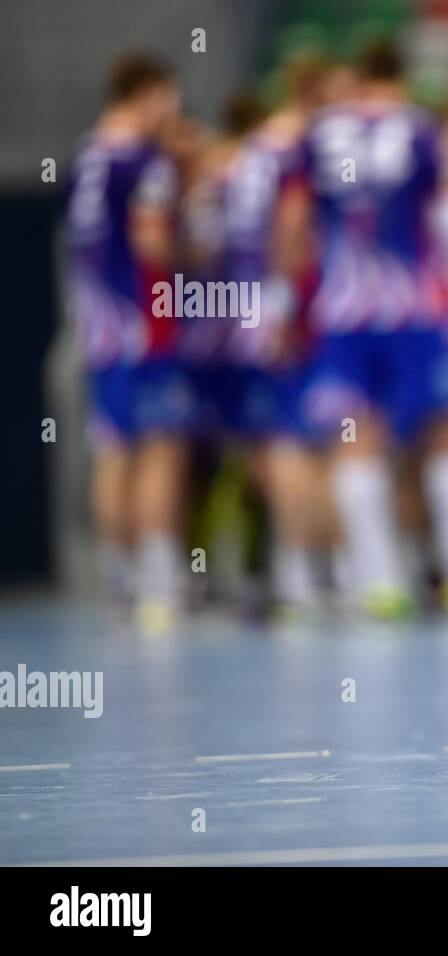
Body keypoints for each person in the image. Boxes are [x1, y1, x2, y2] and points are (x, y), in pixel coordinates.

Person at [299, 38, 448, 620]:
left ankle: (378, 584)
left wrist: (287, 303)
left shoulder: (318, 134)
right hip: (416, 309)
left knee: (356, 434)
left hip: (344, 310)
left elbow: (292, 225)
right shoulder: (422, 132)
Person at [65, 54, 190, 631]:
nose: (174, 111)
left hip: (96, 326)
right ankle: (160, 585)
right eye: (169, 97)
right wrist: (198, 259)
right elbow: (151, 244)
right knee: (161, 446)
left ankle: (118, 581)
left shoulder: (87, 154)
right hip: (143, 321)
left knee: (113, 449)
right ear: (147, 92)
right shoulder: (145, 159)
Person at [222, 57, 333, 611]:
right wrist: (285, 303)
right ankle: (309, 575)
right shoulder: (296, 149)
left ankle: (297, 574)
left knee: (272, 441)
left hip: (243, 307)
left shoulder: (251, 151)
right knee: (300, 441)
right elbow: (291, 230)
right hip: (279, 307)